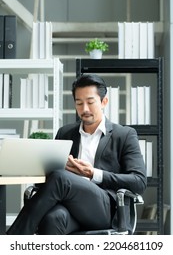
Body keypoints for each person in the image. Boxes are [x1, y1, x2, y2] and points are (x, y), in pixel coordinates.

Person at [6, 74, 147, 235]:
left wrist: (94, 173)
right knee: (53, 218)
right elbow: (50, 177)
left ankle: (12, 239)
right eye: (79, 103)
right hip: (69, 206)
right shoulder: (65, 133)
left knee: (61, 178)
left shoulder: (124, 134)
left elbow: (139, 181)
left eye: (90, 102)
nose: (84, 109)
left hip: (105, 209)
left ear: (104, 102)